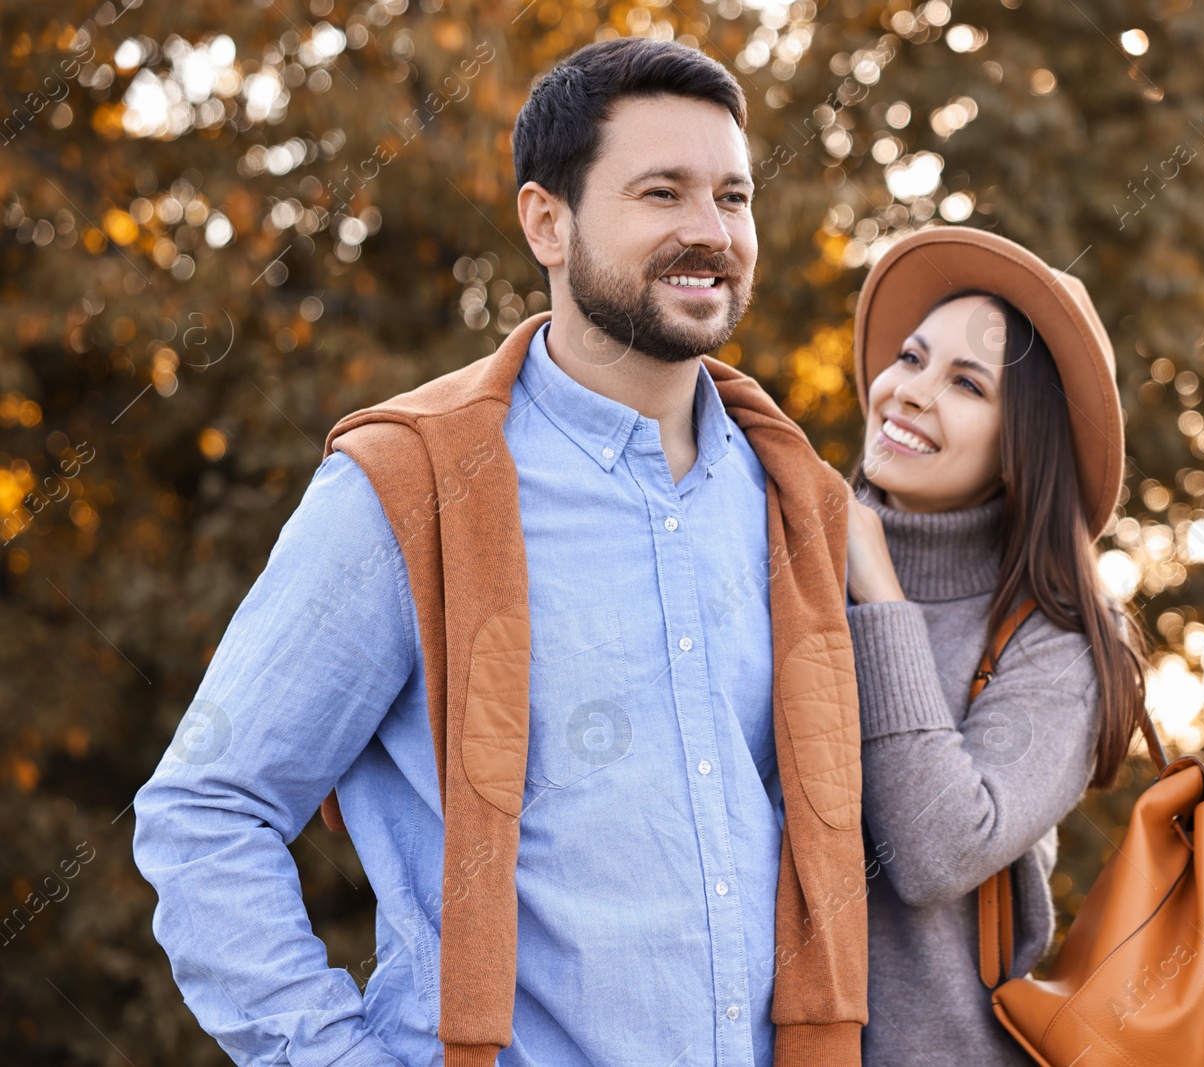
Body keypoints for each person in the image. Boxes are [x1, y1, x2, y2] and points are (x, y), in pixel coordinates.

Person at [133, 38, 869, 1067]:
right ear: (546, 222)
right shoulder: (414, 486)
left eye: (734, 197)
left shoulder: (794, 500)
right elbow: (207, 805)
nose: (711, 233)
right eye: (662, 193)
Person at [842, 227, 1150, 1066]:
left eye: (965, 384)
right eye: (910, 357)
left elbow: (936, 851)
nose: (910, 391)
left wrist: (880, 597)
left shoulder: (1063, 644)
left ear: (1022, 450)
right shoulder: (783, 553)